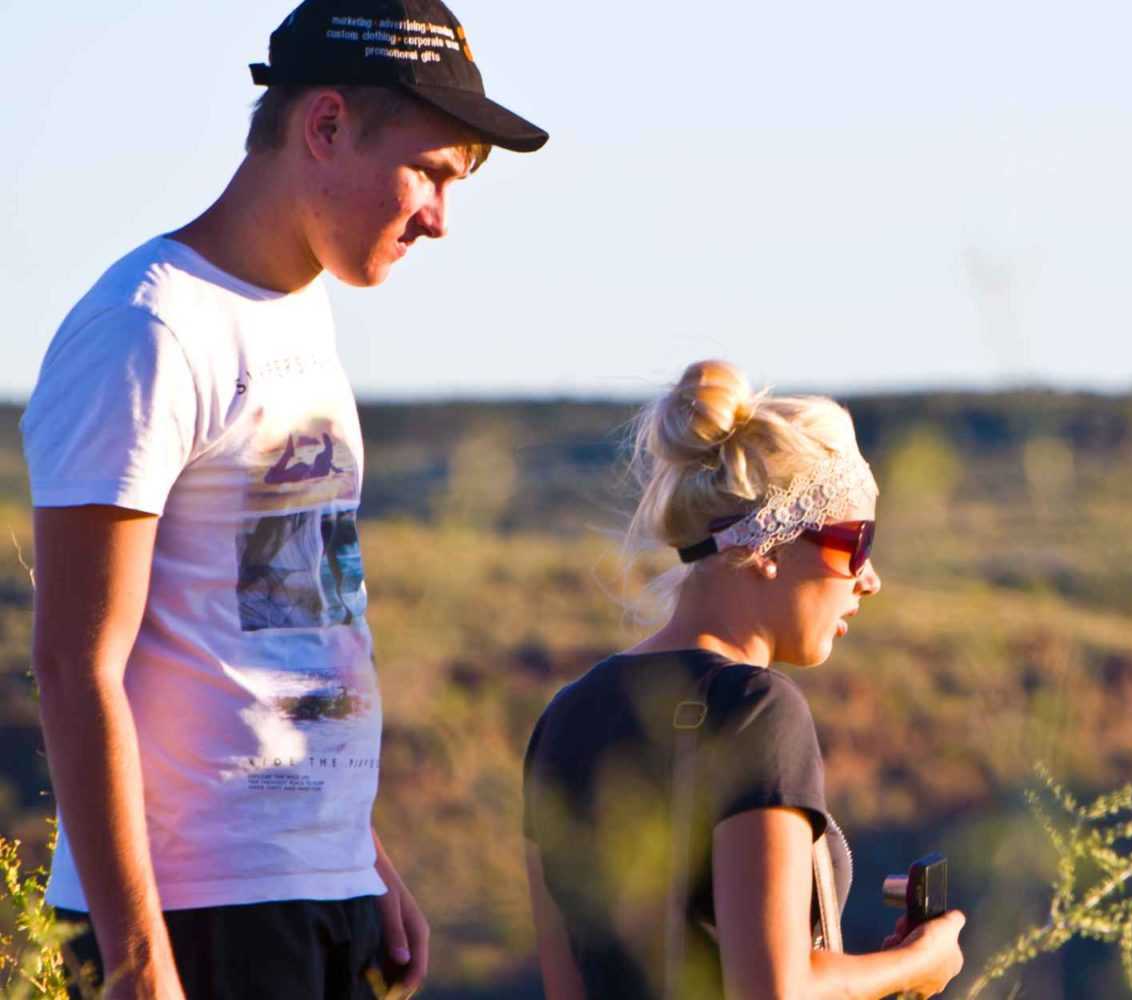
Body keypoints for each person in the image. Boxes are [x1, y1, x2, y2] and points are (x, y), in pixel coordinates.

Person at [20, 0, 546, 996]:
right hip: (193, 912)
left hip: (312, 888)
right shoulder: (148, 329)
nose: (440, 217)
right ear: (326, 126)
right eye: (431, 172)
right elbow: (74, 660)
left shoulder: (300, 312)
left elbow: (291, 618)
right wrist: (136, 961)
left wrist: (360, 859)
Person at [522, 360, 967, 999]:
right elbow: (774, 991)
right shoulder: (757, 710)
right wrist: (919, 965)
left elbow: (567, 989)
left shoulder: (563, 716)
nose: (869, 579)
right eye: (855, 544)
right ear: (767, 547)